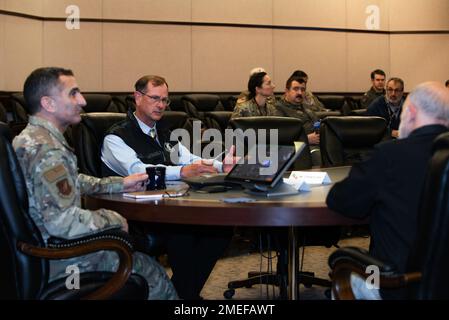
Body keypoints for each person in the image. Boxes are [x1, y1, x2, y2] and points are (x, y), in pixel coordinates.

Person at [12, 67, 177, 300]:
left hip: (43, 250)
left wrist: (119, 184)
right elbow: (61, 223)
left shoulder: (34, 138)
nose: (82, 100)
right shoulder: (46, 150)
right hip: (59, 258)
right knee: (150, 270)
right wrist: (113, 219)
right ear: (48, 103)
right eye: (73, 93)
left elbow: (70, 181)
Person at [101, 75, 235, 299]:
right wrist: (182, 172)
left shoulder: (164, 132)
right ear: (137, 97)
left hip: (170, 206)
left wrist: (222, 165)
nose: (161, 105)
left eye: (165, 100)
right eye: (155, 98)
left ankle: (181, 295)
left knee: (221, 229)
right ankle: (184, 296)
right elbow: (139, 170)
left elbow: (189, 158)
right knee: (182, 234)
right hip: (137, 215)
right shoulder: (115, 138)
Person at [326, 81, 449, 299]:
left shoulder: (390, 155)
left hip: (395, 282)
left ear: (410, 113)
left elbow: (340, 201)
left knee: (343, 276)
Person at [275, 74, 321, 165]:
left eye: (302, 90)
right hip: (298, 148)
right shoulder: (278, 109)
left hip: (318, 144)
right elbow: (281, 138)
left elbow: (318, 124)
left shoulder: (307, 108)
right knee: (317, 155)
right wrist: (306, 139)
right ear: (287, 91)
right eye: (296, 89)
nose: (300, 93)